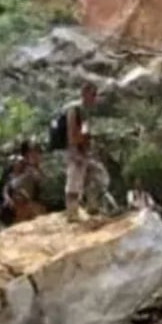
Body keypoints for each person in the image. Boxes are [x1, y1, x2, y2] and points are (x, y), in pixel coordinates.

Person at [58, 82, 109, 222]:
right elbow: (72, 135)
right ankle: (72, 213)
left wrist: (88, 149)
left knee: (97, 175)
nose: (94, 98)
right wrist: (76, 153)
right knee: (74, 180)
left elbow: (85, 132)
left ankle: (92, 206)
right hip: (73, 150)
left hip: (83, 150)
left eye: (95, 95)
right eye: (92, 94)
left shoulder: (85, 111)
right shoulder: (74, 109)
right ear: (84, 93)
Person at [2, 140, 48, 224]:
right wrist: (8, 198)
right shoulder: (20, 167)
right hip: (17, 202)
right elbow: (7, 186)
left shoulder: (34, 170)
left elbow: (40, 180)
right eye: (32, 152)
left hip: (30, 203)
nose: (36, 155)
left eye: (37, 153)